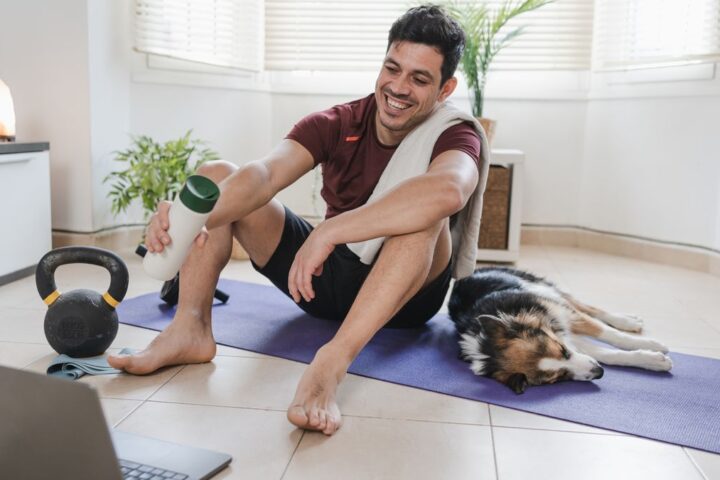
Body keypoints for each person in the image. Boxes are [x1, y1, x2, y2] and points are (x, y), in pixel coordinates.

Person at [109, 5, 485, 436]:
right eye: (392, 69)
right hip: (322, 282)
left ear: (445, 89)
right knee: (215, 176)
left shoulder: (454, 132)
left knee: (423, 216)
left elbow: (449, 189)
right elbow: (265, 175)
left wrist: (331, 229)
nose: (398, 88)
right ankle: (189, 330)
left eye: (419, 79)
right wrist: (188, 216)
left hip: (404, 295)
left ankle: (330, 363)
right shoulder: (338, 122)